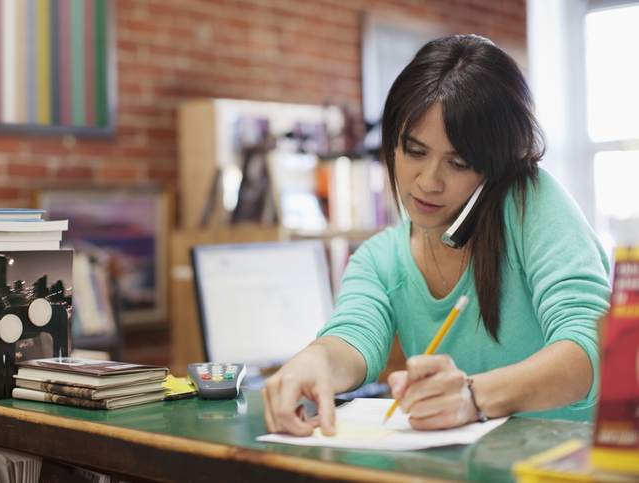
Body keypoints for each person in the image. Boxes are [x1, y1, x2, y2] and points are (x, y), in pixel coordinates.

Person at [261, 34, 611, 436]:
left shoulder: (531, 203)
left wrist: (474, 397)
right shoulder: (380, 259)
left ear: (496, 168)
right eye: (414, 151)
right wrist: (313, 363)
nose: (429, 182)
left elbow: (593, 349)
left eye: (458, 163)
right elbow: (351, 337)